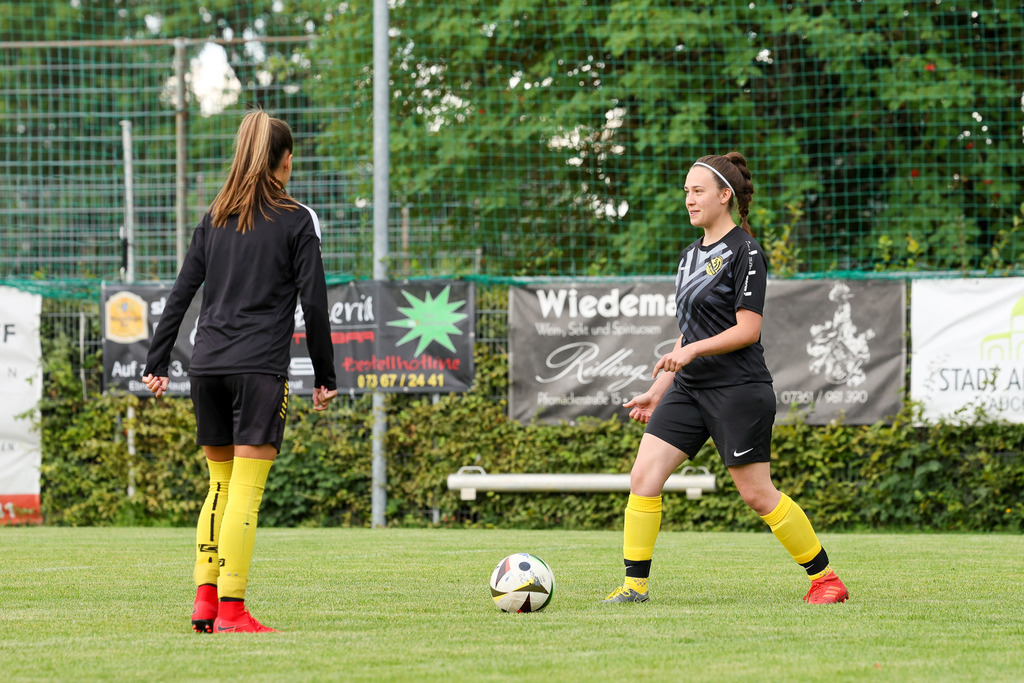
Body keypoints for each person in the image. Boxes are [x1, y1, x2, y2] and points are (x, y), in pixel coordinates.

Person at [602, 152, 848, 605]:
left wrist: (693, 349)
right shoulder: (688, 257)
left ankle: (826, 579)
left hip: (739, 390)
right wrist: (659, 389)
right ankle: (634, 588)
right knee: (643, 477)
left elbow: (748, 329)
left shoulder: (746, 251)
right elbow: (689, 332)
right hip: (690, 389)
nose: (689, 200)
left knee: (757, 494)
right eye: (686, 192)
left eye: (697, 191)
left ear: (724, 195)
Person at [141, 110, 338, 633]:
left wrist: (157, 360)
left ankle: (206, 603)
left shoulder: (215, 216)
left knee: (218, 486)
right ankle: (233, 611)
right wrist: (326, 375)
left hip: (205, 368)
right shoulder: (298, 219)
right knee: (245, 492)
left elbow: (182, 292)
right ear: (285, 161)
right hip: (258, 371)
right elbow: (314, 306)